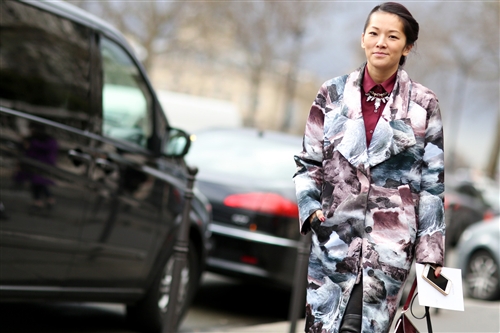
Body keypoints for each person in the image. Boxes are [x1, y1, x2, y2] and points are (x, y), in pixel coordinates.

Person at [293, 2, 445, 333]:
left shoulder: (423, 105)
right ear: (362, 38)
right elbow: (308, 163)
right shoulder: (331, 94)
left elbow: (432, 184)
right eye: (374, 33)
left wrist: (430, 253)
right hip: (333, 240)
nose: (381, 42)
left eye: (392, 36)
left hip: (389, 247)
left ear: (407, 47)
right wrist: (310, 208)